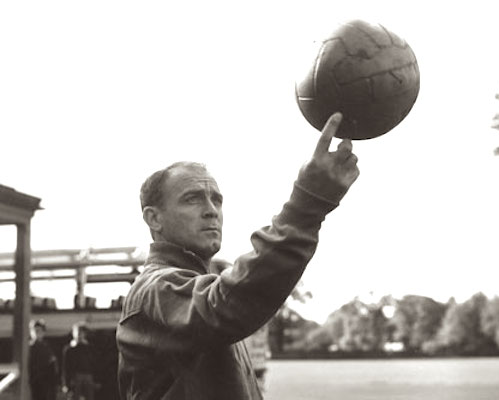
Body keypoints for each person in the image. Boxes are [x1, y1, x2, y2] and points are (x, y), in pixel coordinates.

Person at [116, 112, 359, 399]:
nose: (211, 211)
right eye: (192, 199)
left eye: (216, 200)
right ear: (154, 218)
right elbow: (228, 303)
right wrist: (308, 203)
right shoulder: (153, 291)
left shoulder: (201, 286)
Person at [62, 322, 96, 400]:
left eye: (82, 332)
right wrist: (66, 384)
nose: (79, 334)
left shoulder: (89, 348)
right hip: (75, 378)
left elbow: (93, 363)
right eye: (77, 332)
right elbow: (65, 367)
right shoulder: (69, 349)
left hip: (88, 377)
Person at [29, 319, 59, 400]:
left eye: (39, 330)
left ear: (43, 332)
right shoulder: (29, 347)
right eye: (34, 330)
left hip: (48, 382)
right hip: (35, 382)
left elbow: (52, 363)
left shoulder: (47, 346)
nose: (36, 332)